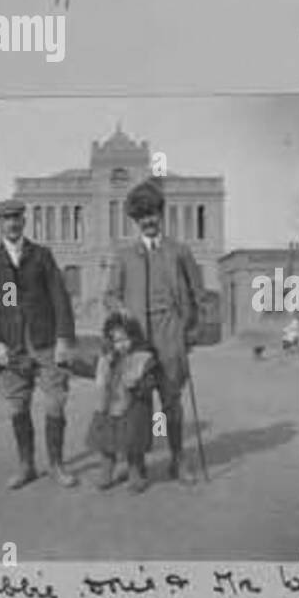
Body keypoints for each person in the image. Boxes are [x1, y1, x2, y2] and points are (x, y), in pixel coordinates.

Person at [103, 178, 203, 484]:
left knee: (172, 401)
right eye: (141, 216)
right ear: (134, 220)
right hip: (137, 342)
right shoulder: (124, 255)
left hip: (170, 335)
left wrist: (191, 332)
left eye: (153, 214)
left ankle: (178, 460)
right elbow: (110, 295)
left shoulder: (179, 251)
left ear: (161, 214)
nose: (148, 220)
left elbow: (198, 294)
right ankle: (136, 464)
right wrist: (121, 313)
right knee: (137, 404)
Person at [0, 199, 78, 490]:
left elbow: (60, 297)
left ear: (24, 220)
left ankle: (57, 465)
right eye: (6, 219)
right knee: (17, 406)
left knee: (56, 402)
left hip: (45, 341)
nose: (12, 223)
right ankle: (26, 466)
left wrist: (63, 339)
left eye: (17, 217)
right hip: (11, 346)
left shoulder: (42, 256)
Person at [87, 313, 156, 493]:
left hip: (134, 408)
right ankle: (106, 472)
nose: (121, 344)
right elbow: (94, 371)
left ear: (134, 336)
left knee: (133, 442)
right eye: (116, 341)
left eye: (125, 339)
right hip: (110, 406)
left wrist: (140, 385)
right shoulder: (108, 358)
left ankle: (136, 474)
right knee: (107, 441)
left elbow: (150, 382)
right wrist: (72, 364)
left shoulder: (143, 358)